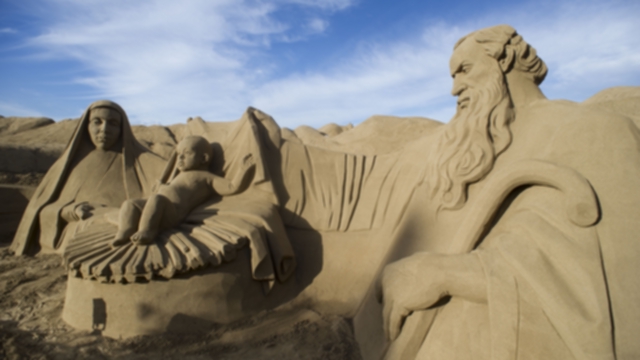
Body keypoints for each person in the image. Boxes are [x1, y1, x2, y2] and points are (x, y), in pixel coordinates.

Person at [380, 25, 640, 359]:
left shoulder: (597, 130)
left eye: (464, 70)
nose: (455, 88)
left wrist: (449, 274)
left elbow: (620, 280)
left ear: (503, 59)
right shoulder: (477, 147)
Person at [10, 100, 166, 255]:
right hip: (82, 230)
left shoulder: (140, 160)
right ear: (86, 126)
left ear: (122, 129)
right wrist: (69, 210)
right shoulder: (67, 165)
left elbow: (173, 177)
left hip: (121, 223)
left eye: (112, 123)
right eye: (97, 122)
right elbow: (39, 210)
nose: (104, 129)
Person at [110, 135, 255, 247]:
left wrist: (242, 171)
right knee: (131, 204)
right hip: (156, 205)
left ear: (204, 158)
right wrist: (161, 188)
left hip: (173, 212)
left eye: (186, 154)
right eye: (179, 154)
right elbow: (170, 190)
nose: (180, 158)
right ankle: (125, 231)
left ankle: (147, 231)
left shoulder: (205, 177)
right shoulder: (179, 175)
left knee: (157, 200)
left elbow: (232, 187)